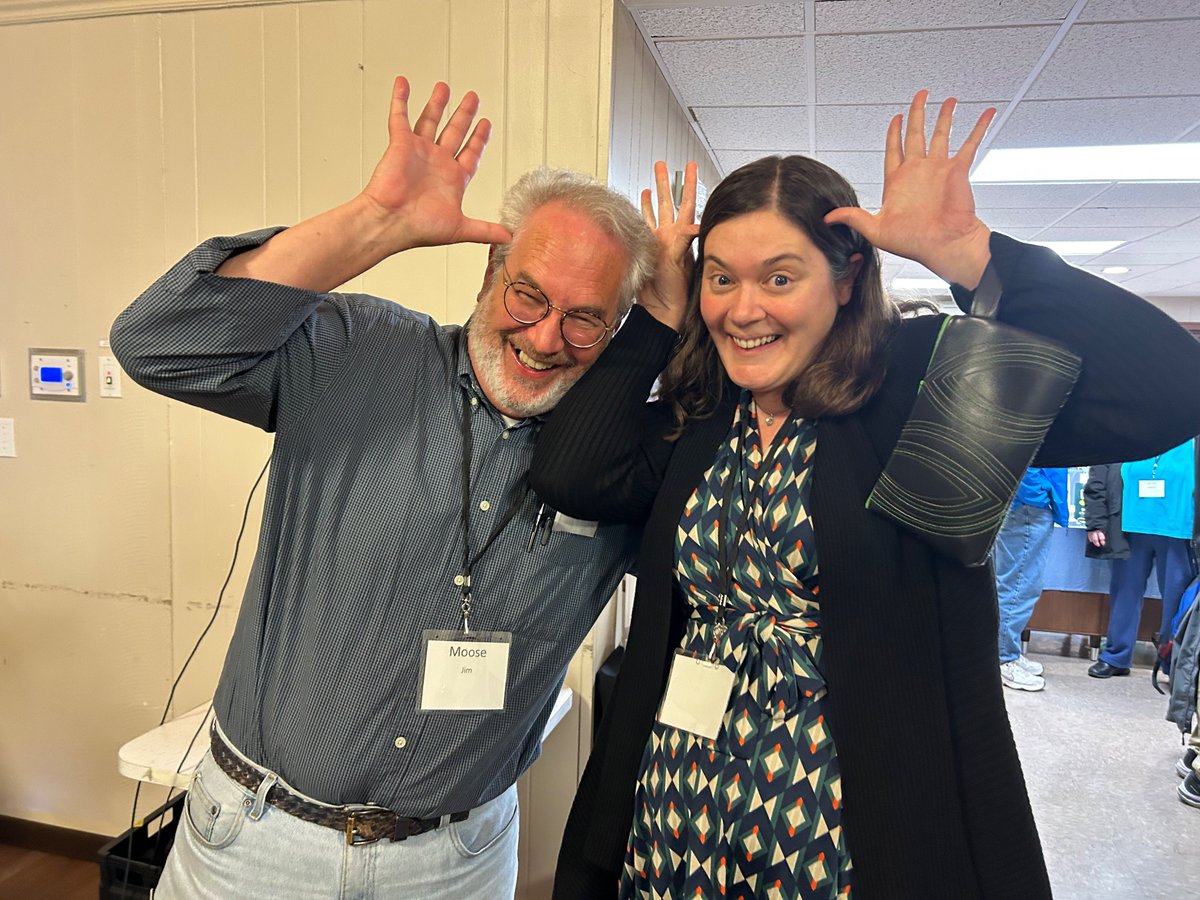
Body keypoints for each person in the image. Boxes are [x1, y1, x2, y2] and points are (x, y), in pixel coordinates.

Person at [531, 92, 1200, 898]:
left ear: (846, 279)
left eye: (781, 277)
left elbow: (1170, 389)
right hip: (679, 803)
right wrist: (654, 318)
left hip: (853, 824)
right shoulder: (705, 415)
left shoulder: (917, 388)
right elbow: (571, 472)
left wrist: (971, 255)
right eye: (721, 279)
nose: (744, 309)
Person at [109, 77, 657, 898]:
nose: (546, 337)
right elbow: (158, 345)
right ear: (489, 273)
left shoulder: (619, 465)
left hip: (455, 864)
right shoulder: (359, 353)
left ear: (618, 332)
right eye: (528, 294)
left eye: (585, 318)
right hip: (256, 844)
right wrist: (377, 223)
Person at [1088, 438, 1197, 679]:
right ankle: (1116, 656)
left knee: (1178, 602)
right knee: (1124, 594)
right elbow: (1099, 474)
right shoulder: (1130, 430)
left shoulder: (1192, 433)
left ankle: (1174, 663)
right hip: (1129, 527)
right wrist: (1096, 521)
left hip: (1179, 530)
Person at [994, 467, 1068, 691]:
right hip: (1028, 504)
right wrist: (1036, 492)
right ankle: (1004, 658)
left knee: (1015, 582)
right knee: (1019, 585)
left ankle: (1007, 650)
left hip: (1028, 503)